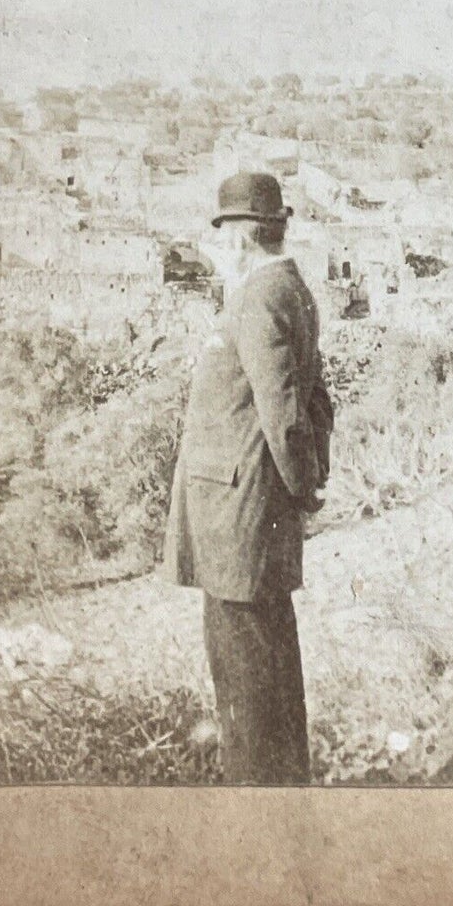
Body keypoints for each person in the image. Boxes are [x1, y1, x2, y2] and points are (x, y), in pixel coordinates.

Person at [162, 171, 334, 784]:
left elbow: (286, 411)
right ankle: (284, 790)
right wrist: (309, 481)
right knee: (269, 670)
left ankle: (258, 807)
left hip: (239, 523)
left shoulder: (259, 296)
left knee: (246, 681)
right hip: (249, 514)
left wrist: (301, 488)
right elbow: (316, 402)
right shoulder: (289, 289)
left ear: (239, 237)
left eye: (223, 233)